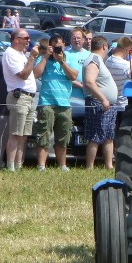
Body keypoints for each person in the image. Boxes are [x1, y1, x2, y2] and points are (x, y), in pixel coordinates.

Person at [33, 35, 79, 171]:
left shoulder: (69, 58)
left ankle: (62, 165)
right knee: (44, 135)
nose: (58, 49)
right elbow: (35, 74)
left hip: (64, 103)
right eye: (55, 46)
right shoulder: (44, 59)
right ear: (50, 46)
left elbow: (74, 76)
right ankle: (41, 165)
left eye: (60, 46)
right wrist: (46, 57)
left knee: (63, 137)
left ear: (64, 45)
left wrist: (62, 62)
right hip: (47, 102)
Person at [3, 28, 40, 171]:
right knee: (15, 133)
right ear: (16, 39)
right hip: (19, 97)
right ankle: (10, 165)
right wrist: (31, 58)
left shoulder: (21, 55)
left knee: (24, 135)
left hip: (29, 97)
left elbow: (32, 74)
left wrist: (34, 58)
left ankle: (19, 165)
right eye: (26, 38)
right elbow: (23, 75)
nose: (29, 41)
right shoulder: (10, 53)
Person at [83, 36, 118, 170]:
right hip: (98, 103)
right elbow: (89, 81)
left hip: (107, 105)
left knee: (109, 136)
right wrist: (103, 99)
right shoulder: (94, 60)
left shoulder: (99, 60)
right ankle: (90, 167)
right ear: (104, 46)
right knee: (95, 136)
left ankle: (109, 165)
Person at [106, 35, 132, 127]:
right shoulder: (126, 65)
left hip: (110, 104)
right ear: (127, 49)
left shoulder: (108, 60)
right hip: (122, 105)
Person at [65, 28, 91, 101]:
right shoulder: (66, 55)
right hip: (71, 97)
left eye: (79, 38)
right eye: (74, 38)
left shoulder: (89, 55)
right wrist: (80, 85)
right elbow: (64, 77)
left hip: (87, 97)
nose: (76, 40)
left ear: (83, 39)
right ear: (70, 40)